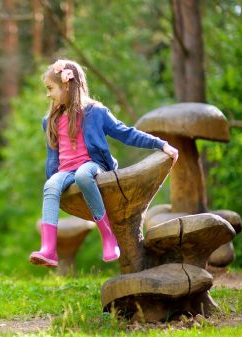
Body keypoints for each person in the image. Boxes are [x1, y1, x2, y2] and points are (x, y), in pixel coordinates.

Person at [29, 59, 178, 267]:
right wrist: (54, 180)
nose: (48, 94)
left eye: (50, 88)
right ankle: (49, 249)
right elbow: (52, 157)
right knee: (50, 185)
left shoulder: (95, 112)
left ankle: (108, 237)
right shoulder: (50, 120)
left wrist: (160, 144)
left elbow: (126, 133)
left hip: (93, 165)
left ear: (67, 86)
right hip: (65, 171)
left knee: (82, 175)